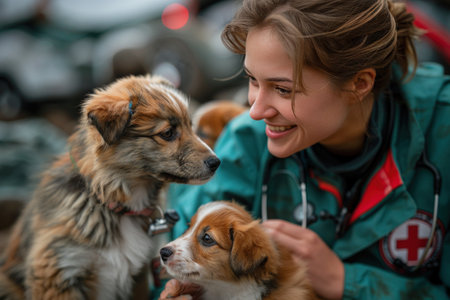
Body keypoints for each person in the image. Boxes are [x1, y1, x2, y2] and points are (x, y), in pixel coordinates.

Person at [159, 0, 450, 299]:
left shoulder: (443, 132)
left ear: (359, 83)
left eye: (283, 89)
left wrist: (346, 282)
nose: (255, 110)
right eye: (252, 80)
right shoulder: (246, 141)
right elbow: (171, 254)